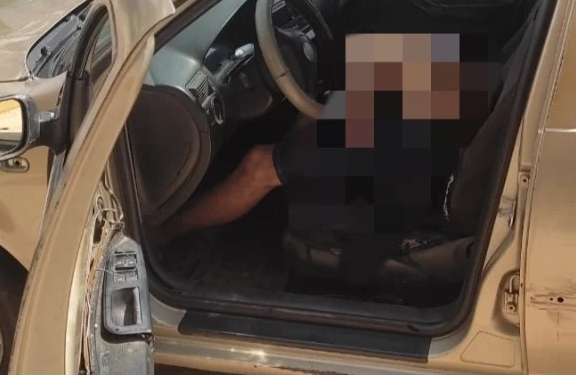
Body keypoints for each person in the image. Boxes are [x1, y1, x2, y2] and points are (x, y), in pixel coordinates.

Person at [156, 33, 492, 248]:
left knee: (259, 164)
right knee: (359, 59)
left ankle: (172, 229)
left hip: (444, 164)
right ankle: (302, 156)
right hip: (474, 103)